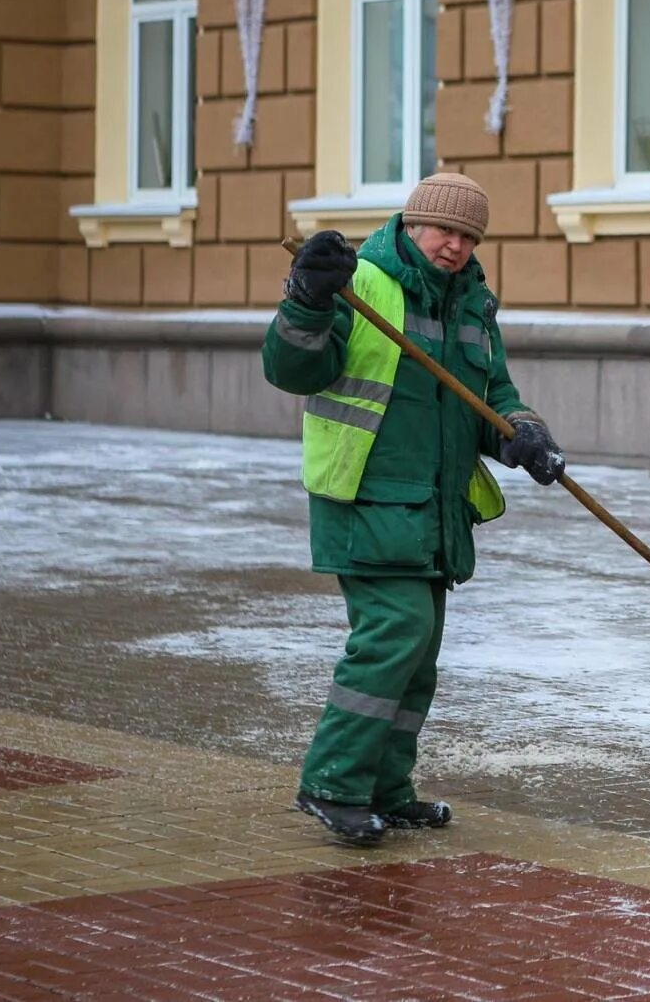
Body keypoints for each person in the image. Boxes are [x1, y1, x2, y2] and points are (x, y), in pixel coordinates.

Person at [262, 172, 565, 846]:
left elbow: (491, 393)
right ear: (412, 223)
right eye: (444, 230)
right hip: (366, 498)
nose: (454, 245)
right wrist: (307, 300)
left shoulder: (473, 306)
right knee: (393, 635)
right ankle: (332, 783)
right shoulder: (362, 282)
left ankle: (385, 788)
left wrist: (525, 433)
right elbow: (291, 368)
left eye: (468, 236)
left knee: (417, 654)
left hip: (433, 510)